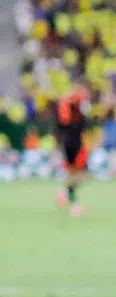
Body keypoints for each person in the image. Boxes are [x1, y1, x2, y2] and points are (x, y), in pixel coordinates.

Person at [54, 84, 91, 217]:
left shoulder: (65, 102)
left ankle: (68, 197)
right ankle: (72, 201)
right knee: (81, 174)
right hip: (76, 142)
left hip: (68, 142)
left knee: (73, 173)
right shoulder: (79, 102)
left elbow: (61, 124)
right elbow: (83, 122)